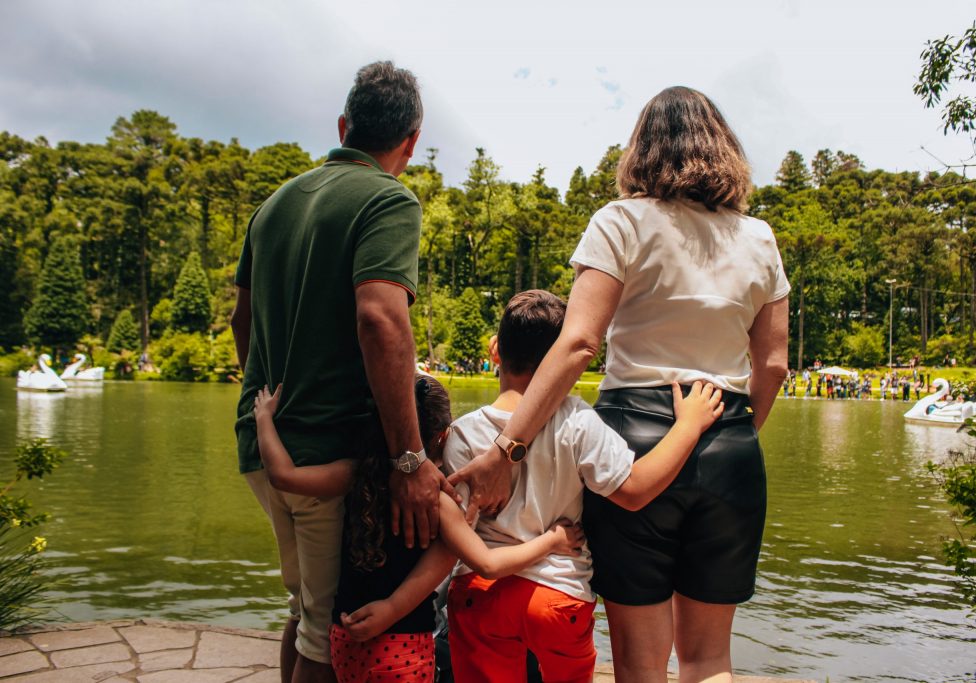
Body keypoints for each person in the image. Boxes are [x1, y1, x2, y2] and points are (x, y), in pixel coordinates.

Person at [449, 87, 789, 683]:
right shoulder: (759, 238)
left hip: (633, 440)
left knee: (639, 662)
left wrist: (506, 450)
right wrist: (728, 435)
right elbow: (774, 365)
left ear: (642, 150)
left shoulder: (621, 221)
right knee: (710, 659)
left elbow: (578, 344)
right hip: (730, 436)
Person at [230, 61, 455, 682]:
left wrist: (272, 393)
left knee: (307, 612)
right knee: (329, 635)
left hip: (263, 446)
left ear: (343, 126)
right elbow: (381, 319)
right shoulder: (387, 198)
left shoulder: (273, 206)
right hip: (327, 452)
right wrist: (410, 460)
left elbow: (240, 322)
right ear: (411, 140)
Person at [444, 290, 724, 683]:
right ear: (559, 362)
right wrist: (688, 426)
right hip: (558, 593)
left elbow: (454, 532)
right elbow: (634, 490)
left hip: (481, 592)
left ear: (495, 350)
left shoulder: (462, 432)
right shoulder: (575, 418)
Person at [252, 374, 584, 683]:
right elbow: (488, 564)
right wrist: (553, 541)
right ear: (442, 435)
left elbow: (283, 476)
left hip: (346, 638)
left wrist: (264, 419)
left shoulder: (354, 473)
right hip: (403, 648)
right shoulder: (440, 501)